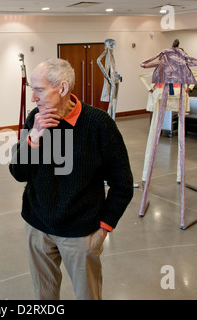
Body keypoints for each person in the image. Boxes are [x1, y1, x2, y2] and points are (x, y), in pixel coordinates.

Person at [9, 58, 134, 300]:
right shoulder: (35, 118)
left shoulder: (99, 125)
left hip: (80, 233)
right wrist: (33, 138)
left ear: (63, 89)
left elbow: (122, 183)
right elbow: (18, 173)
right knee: (43, 297)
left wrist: (104, 228)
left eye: (39, 90)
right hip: (37, 227)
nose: (33, 98)